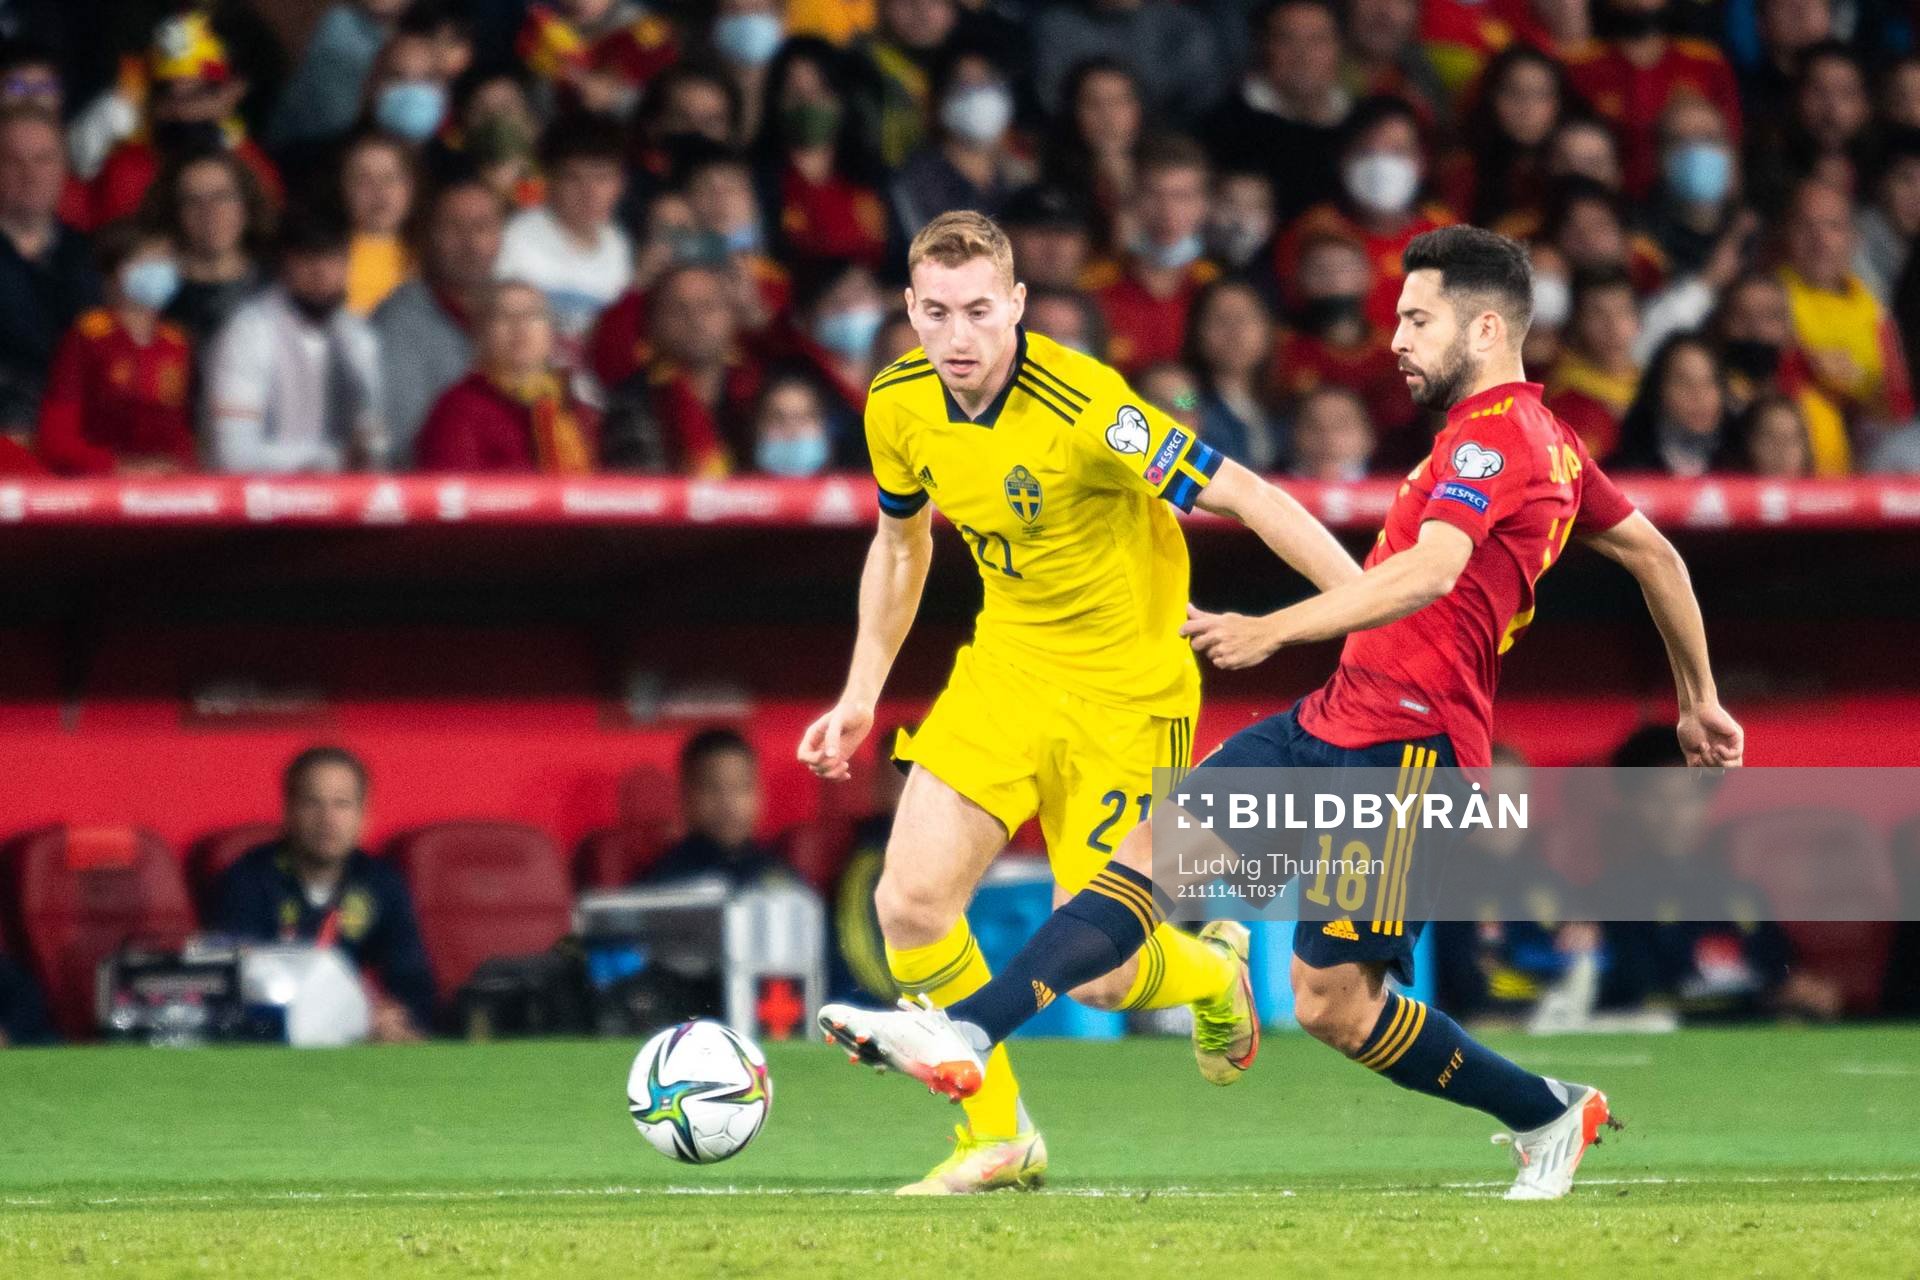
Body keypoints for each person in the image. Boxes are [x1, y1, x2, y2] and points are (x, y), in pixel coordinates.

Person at [821, 225, 1746, 1204]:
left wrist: (1273, 628)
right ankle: (966, 1032)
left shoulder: (1496, 439)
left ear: (1484, 328)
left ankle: (1548, 1110)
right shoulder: (1550, 443)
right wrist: (1699, 700)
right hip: (1331, 717)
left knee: (1332, 1005)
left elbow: (1432, 570)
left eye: (1418, 320)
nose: (1396, 338)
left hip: (1412, 746)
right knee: (1143, 865)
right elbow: (1656, 556)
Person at [798, 209, 1360, 1195]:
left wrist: (1363, 610)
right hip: (1007, 670)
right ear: (910, 310)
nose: (959, 336)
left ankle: (1210, 971)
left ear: (1017, 304)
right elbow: (900, 541)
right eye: (937, 312)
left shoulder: (1089, 405)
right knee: (909, 901)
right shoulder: (897, 402)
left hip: (1129, 694)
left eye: (980, 310)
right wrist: (859, 691)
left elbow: (1249, 495)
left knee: (1101, 976)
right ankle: (998, 1137)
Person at [215, 746, 435, 1041]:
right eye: (312, 803)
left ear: (365, 816)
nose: (328, 819)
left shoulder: (382, 883)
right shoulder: (249, 879)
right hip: (271, 1040)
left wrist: (394, 1016)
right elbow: (239, 979)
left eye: (342, 804)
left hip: (354, 1041)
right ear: (288, 811)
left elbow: (412, 980)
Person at [205, 213, 386, 473]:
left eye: (333, 259)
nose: (321, 272)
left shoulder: (357, 337)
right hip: (259, 495)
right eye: (308, 259)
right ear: (284, 265)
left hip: (347, 494)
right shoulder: (248, 333)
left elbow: (372, 437)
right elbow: (233, 456)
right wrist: (330, 459)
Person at [37, 221, 196, 475]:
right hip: (97, 486)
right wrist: (118, 468)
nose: (163, 270)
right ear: (119, 270)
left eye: (167, 261)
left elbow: (179, 436)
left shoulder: (175, 344)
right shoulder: (87, 338)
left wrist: (179, 471)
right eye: (151, 260)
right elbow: (57, 438)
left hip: (166, 488)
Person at [372, 173, 506, 461]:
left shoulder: (516, 311)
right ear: (430, 236)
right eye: (454, 228)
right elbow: (400, 442)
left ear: (500, 237)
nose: (470, 243)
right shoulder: (398, 321)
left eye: (482, 227)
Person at [1778, 178, 1914, 458]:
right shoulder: (1770, 298)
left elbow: (1899, 408)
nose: (1821, 240)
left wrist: (1862, 391)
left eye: (1834, 226)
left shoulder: (1878, 313)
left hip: (1870, 463)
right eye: (1806, 226)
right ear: (1787, 233)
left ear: (1854, 238)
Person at [414, 281, 598, 472]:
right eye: (504, 316)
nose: (521, 327)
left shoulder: (572, 406)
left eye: (532, 315)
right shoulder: (458, 410)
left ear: (551, 332)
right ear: (480, 333)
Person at [496, 112, 633, 357]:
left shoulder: (618, 245)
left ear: (620, 183)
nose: (590, 192)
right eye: (574, 179)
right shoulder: (515, 240)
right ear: (550, 181)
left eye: (602, 178)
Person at [1200, 0, 1349, 224]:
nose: (1303, 56)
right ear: (1263, 46)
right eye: (1287, 40)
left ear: (1338, 48)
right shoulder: (1223, 126)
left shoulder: (1359, 127)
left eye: (1317, 40)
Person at [0, 104, 97, 438]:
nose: (30, 174)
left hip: (81, 434)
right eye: (13, 161)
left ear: (63, 168)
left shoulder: (94, 256)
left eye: (43, 159)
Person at [1088, 133, 1218, 374]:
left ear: (1204, 205)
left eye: (1182, 197)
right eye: (1153, 195)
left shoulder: (1217, 288)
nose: (1167, 211)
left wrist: (1179, 398)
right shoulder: (1093, 287)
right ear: (1133, 200)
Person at [142, 148, 272, 347]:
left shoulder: (277, 282)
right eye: (192, 201)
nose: (210, 212)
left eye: (222, 197)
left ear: (247, 203)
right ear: (174, 212)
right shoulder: (153, 292)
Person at [643, 729, 787, 886]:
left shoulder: (783, 879)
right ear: (686, 797)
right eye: (712, 788)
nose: (728, 803)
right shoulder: (665, 886)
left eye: (741, 786)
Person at [1183, 278, 1281, 469]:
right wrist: (1182, 400)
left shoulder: (1285, 402)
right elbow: (1176, 402)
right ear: (1197, 330)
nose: (1235, 333)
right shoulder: (1188, 397)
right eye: (1221, 320)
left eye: (1244, 319)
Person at [1545, 266, 1641, 459]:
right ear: (1577, 322)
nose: (1613, 327)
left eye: (1622, 311)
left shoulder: (1655, 385)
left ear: (1638, 321)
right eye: (1598, 314)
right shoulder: (1559, 396)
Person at [1610, 333, 1731, 475]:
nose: (1699, 395)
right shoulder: (1625, 463)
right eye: (1683, 383)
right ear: (1658, 390)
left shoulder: (1742, 457)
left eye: (1709, 382)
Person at [340, 131, 418, 316]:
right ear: (345, 189)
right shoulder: (325, 256)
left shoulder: (433, 257)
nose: (379, 191)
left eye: (390, 178)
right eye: (364, 179)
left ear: (410, 187)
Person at [749, 374, 834, 476]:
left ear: (823, 426)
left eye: (803, 418)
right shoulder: (737, 485)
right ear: (759, 427)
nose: (792, 431)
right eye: (778, 419)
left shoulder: (846, 483)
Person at [1286, 384, 1375, 481]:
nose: (1328, 438)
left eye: (1341, 426)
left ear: (1368, 437)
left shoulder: (1387, 486)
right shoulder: (1274, 487)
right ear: (1296, 435)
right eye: (1313, 426)